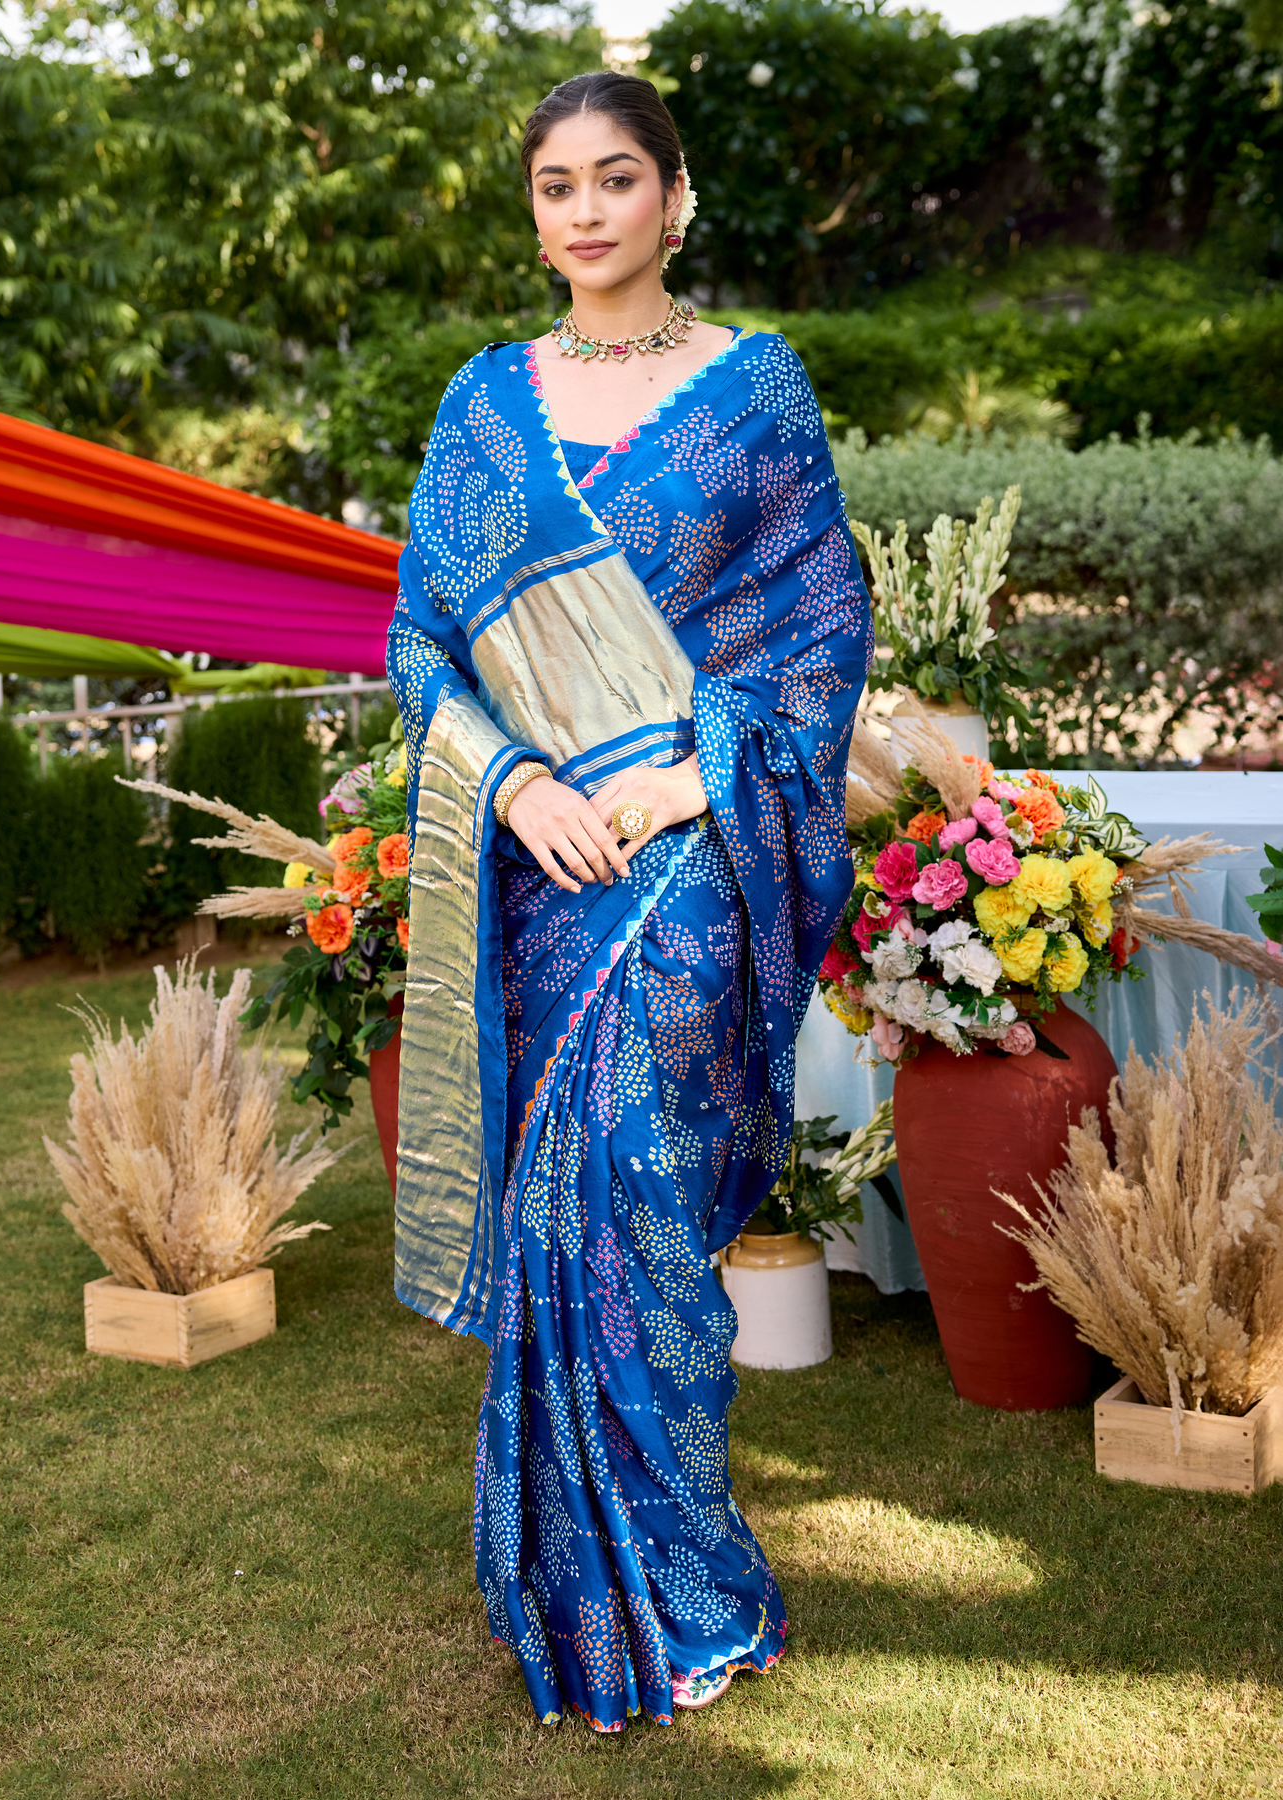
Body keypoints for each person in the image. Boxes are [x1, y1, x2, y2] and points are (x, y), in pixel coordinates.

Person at [386, 69, 871, 1732]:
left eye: (613, 178)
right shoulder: (484, 404)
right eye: (554, 185)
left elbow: (818, 638)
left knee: (640, 1199)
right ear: (533, 214)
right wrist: (515, 787)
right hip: (541, 871)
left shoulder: (754, 391)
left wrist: (688, 779)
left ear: (674, 195)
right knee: (553, 1211)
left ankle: (689, 1585)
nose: (584, 211)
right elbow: (422, 642)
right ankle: (569, 1582)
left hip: (682, 859)